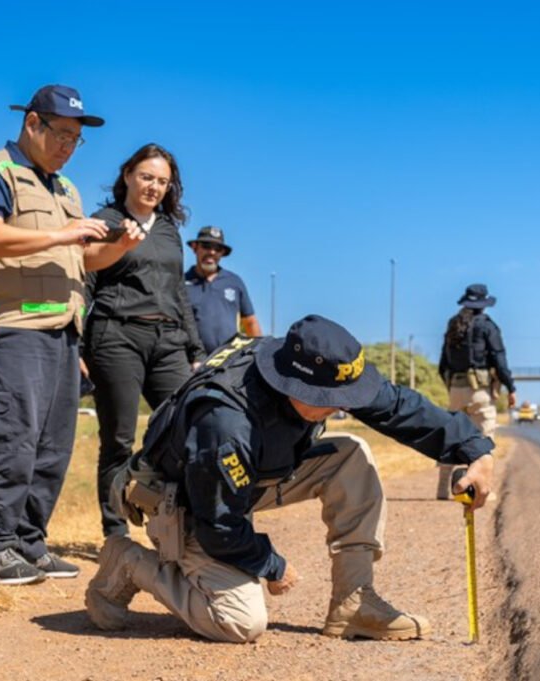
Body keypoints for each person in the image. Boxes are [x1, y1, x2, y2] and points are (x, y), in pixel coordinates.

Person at [85, 315, 494, 642]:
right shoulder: (225, 421)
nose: (339, 408)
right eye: (329, 401)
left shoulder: (314, 366)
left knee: (350, 454)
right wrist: (271, 564)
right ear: (292, 384)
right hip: (185, 501)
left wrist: (474, 448)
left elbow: (398, 407)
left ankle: (354, 603)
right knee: (240, 623)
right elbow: (220, 526)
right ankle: (131, 561)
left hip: (250, 477)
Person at [0, 84, 144, 585]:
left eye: (76, 140)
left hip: (63, 330)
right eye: (61, 134)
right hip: (11, 327)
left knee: (51, 446)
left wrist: (119, 246)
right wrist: (63, 233)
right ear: (32, 123)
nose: (68, 146)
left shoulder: (66, 190)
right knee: (10, 438)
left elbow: (84, 260)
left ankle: (28, 542)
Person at [83, 143, 207, 539]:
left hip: (168, 338)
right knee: (118, 439)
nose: (154, 186)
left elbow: (179, 294)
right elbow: (84, 281)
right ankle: (115, 532)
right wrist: (76, 345)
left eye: (163, 181)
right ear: (128, 176)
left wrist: (196, 350)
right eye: (147, 177)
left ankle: (178, 522)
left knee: (186, 428)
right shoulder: (104, 221)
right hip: (116, 335)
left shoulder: (170, 230)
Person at [436, 283, 516, 499]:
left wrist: (452, 386)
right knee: (485, 436)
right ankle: (483, 489)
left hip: (455, 388)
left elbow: (442, 365)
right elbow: (499, 359)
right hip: (479, 391)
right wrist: (511, 387)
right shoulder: (487, 326)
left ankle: (442, 489)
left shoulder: (453, 324)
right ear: (484, 304)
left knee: (451, 435)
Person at [184, 226, 261, 354]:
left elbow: (250, 322)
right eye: (206, 246)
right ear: (194, 247)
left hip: (227, 363)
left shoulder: (234, 281)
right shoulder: (181, 283)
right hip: (192, 362)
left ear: (222, 253)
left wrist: (257, 353)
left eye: (217, 248)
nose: (212, 252)